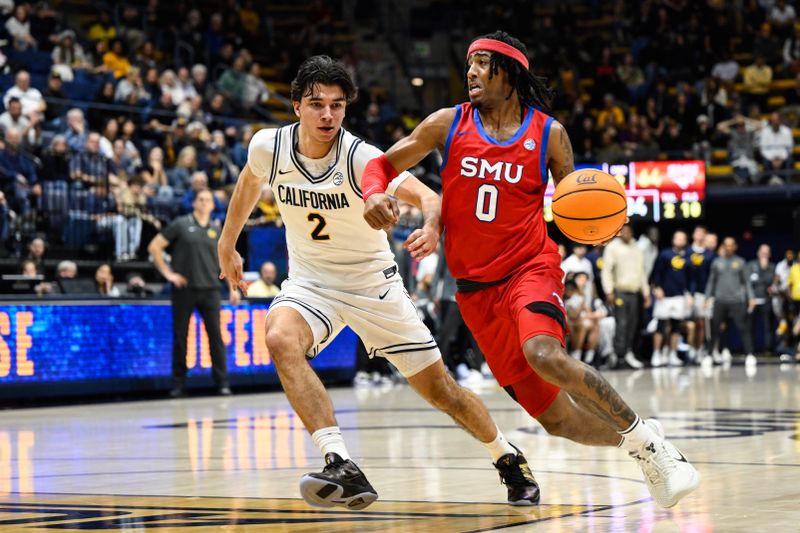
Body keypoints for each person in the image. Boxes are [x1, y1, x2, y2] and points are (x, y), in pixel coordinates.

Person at [362, 31, 699, 509]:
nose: (471, 73)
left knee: (544, 353)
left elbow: (574, 208)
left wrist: (594, 228)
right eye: (469, 64)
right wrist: (377, 192)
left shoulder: (549, 134)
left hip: (529, 267)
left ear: (510, 74)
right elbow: (379, 164)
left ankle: (651, 445)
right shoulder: (447, 124)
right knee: (557, 421)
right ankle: (642, 443)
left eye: (482, 64)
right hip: (475, 291)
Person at [216, 55, 537, 510]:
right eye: (316, 104)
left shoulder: (360, 157)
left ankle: (506, 457)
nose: (327, 115)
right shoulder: (269, 147)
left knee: (442, 391)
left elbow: (430, 196)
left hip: (374, 287)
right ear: (296, 107)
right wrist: (227, 243)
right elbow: (250, 181)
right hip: (311, 284)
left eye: (337, 105)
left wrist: (431, 226)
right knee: (279, 337)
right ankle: (339, 462)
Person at [148, 189, 235, 398]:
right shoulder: (181, 224)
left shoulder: (217, 229)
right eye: (201, 199)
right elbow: (154, 247)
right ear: (194, 203)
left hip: (211, 290)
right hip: (184, 289)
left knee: (216, 338)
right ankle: (179, 384)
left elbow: (227, 259)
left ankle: (222, 383)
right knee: (181, 338)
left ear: (213, 206)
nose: (205, 202)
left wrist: (232, 287)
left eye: (208, 200)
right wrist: (169, 274)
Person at [601, 224, 651, 369]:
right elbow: (607, 271)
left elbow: (641, 272)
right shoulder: (612, 248)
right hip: (620, 292)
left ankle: (628, 352)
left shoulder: (637, 248)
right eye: (623, 231)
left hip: (634, 292)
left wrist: (646, 292)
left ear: (632, 232)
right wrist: (609, 290)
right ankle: (618, 355)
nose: (625, 234)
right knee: (621, 324)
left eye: (628, 231)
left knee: (633, 324)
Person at [705, 237, 756, 368]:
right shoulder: (717, 262)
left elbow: (747, 282)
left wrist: (751, 298)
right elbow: (711, 281)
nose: (728, 247)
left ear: (735, 247)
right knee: (715, 328)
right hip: (720, 300)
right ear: (723, 246)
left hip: (736, 300)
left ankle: (750, 354)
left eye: (731, 245)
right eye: (726, 245)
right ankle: (709, 355)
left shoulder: (740, 262)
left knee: (743, 328)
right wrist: (707, 297)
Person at [650, 230, 691, 367]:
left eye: (682, 238)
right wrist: (657, 288)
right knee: (661, 326)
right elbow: (656, 272)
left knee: (676, 327)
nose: (679, 240)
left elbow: (689, 279)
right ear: (673, 239)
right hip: (665, 296)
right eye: (677, 238)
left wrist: (688, 294)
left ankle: (672, 354)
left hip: (679, 296)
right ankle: (656, 353)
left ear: (685, 241)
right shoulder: (665, 254)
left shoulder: (688, 257)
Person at [687, 226, 715, 362]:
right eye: (697, 232)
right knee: (690, 324)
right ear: (693, 235)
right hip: (687, 294)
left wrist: (709, 295)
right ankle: (689, 348)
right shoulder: (686, 252)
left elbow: (712, 276)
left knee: (702, 323)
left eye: (702, 233)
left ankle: (700, 349)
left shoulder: (709, 254)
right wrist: (687, 293)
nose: (699, 235)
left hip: (703, 294)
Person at [747, 244, 777, 355]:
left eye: (766, 252)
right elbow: (748, 283)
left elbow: (773, 283)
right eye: (762, 252)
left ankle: (768, 349)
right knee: (750, 326)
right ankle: (750, 349)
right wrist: (749, 298)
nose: (764, 254)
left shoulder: (773, 267)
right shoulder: (751, 265)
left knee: (768, 326)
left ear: (769, 254)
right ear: (758, 253)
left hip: (766, 300)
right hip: (753, 301)